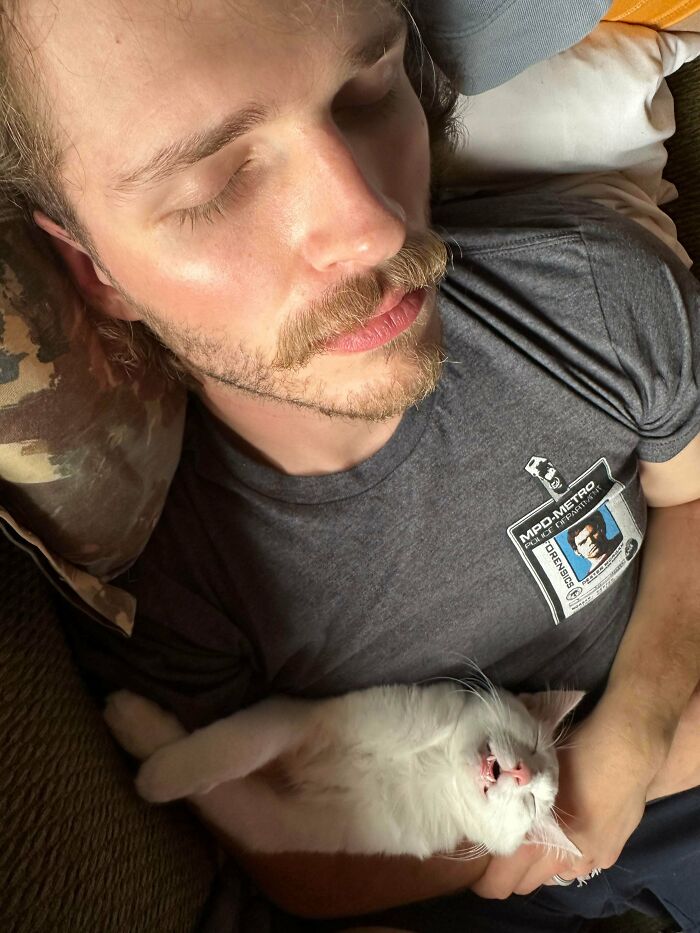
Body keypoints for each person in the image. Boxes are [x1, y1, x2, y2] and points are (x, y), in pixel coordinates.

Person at [1, 1, 699, 932]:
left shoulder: (594, 294)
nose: (373, 227)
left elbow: (691, 490)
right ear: (96, 271)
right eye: (212, 187)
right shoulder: (171, 584)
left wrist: (641, 731)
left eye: (370, 92)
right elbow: (296, 866)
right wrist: (558, 806)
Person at [567, 511, 624, 576]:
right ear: (577, 552)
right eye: (583, 542)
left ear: (602, 529)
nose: (591, 541)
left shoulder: (623, 536)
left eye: (593, 533)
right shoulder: (588, 581)